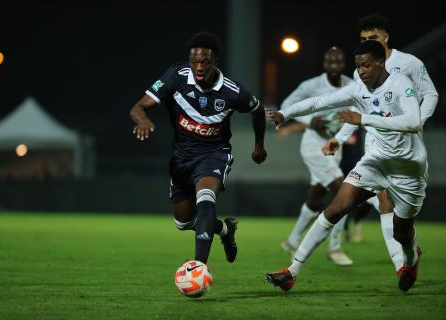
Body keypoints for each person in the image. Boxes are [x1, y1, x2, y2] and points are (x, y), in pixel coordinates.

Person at [265, 40, 426, 292]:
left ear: (381, 62)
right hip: (375, 162)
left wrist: (363, 119)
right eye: (358, 66)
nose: (361, 71)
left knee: (402, 233)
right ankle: (292, 270)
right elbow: (319, 102)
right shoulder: (358, 89)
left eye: (366, 65)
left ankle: (410, 260)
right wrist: (285, 114)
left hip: (408, 169)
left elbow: (414, 121)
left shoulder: (400, 84)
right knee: (336, 207)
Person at [129, 32, 267, 266]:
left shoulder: (233, 92)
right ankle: (224, 230)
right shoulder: (176, 75)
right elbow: (138, 107)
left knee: (206, 200)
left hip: (214, 155)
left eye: (205, 62)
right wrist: (142, 119)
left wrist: (259, 146)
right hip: (182, 157)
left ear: (215, 62)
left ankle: (199, 267)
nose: (199, 67)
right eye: (194, 61)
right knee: (183, 222)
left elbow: (258, 110)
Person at [342, 14, 438, 264]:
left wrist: (419, 122)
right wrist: (338, 137)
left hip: (406, 145)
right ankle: (401, 265)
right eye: (363, 39)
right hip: (376, 143)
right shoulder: (360, 70)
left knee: (402, 213)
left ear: (386, 37)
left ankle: (408, 246)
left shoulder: (409, 63)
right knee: (384, 200)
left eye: (373, 37)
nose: (368, 42)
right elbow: (358, 109)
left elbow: (431, 95)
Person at [277, 47, 354, 266]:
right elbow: (286, 105)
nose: (334, 66)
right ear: (324, 64)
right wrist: (311, 121)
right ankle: (335, 247)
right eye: (330, 62)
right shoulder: (311, 85)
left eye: (338, 62)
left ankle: (292, 241)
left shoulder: (351, 85)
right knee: (344, 192)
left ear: (343, 64)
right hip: (313, 146)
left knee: (315, 197)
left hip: (334, 148)